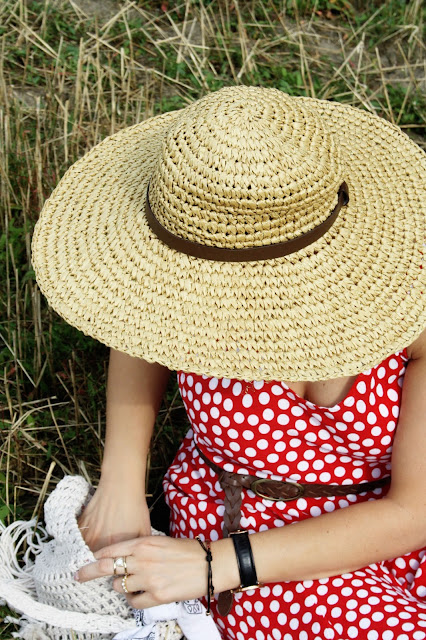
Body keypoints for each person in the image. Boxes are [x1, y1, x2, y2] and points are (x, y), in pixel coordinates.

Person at [32, 85, 426, 639]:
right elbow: (137, 324)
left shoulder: (412, 303)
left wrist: (214, 566)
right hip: (247, 528)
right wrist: (121, 482)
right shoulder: (172, 287)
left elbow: (414, 512)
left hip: (376, 527)